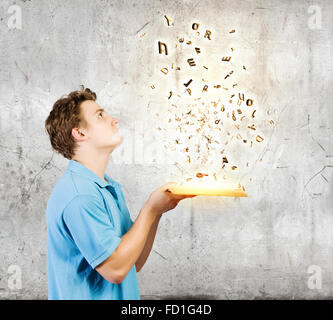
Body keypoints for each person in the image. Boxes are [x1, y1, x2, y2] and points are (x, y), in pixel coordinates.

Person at [44, 86, 195, 300]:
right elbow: (115, 270)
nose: (114, 120)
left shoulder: (107, 187)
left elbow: (133, 261)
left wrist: (159, 211)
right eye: (100, 115)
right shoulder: (80, 196)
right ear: (79, 132)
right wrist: (150, 210)